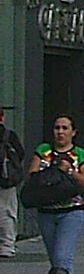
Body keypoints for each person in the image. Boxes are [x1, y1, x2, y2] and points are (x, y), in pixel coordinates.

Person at [29, 114, 84, 274]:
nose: (60, 132)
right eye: (57, 128)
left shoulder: (80, 154)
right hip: (47, 211)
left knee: (63, 257)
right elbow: (32, 177)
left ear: (73, 132)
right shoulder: (43, 151)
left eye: (65, 128)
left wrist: (70, 172)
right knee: (54, 258)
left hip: (71, 212)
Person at [0, 106, 27, 257]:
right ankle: (7, 245)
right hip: (6, 180)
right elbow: (21, 153)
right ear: (2, 117)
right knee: (8, 212)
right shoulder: (8, 135)